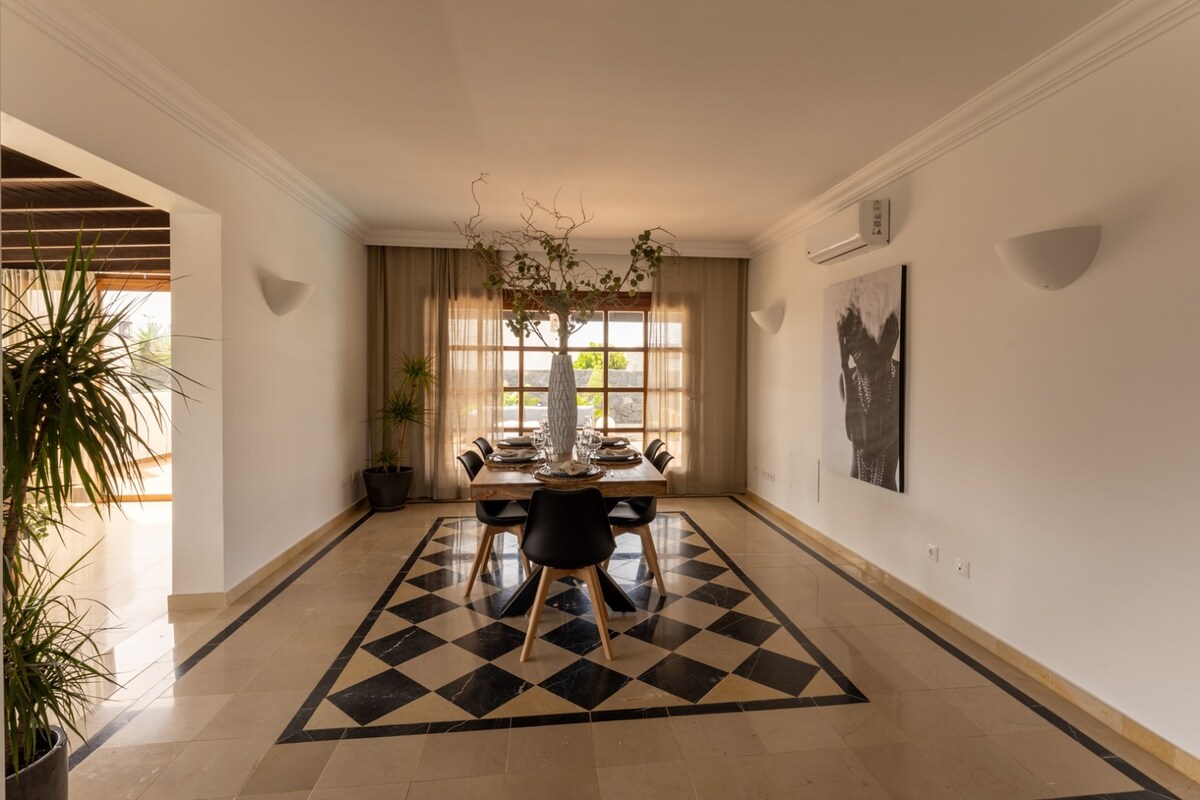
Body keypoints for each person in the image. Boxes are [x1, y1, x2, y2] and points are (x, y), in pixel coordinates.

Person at [836, 296, 900, 490]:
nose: (851, 348)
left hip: (887, 492)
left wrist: (884, 362)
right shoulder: (848, 377)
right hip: (855, 486)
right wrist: (843, 365)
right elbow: (856, 435)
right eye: (848, 339)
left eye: (860, 337)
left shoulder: (898, 375)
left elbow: (873, 445)